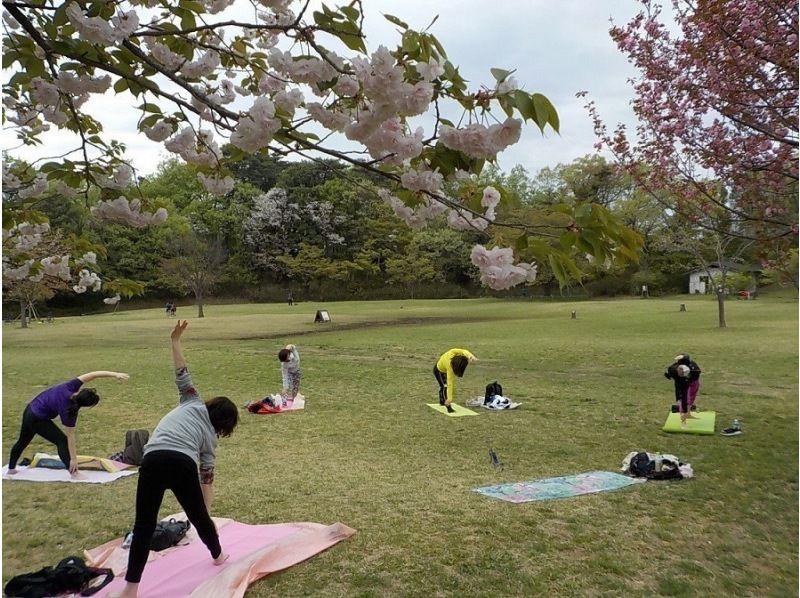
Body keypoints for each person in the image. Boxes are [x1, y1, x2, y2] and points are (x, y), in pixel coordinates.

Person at [111, 321, 238, 598]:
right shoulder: (210, 439)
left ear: (210, 405)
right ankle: (218, 555)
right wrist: (207, 514)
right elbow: (207, 480)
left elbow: (182, 371)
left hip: (152, 459)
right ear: (225, 425)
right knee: (198, 518)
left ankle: (131, 589)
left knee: (143, 525)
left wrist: (175, 341)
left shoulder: (191, 401)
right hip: (181, 464)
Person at [7, 370, 130, 475]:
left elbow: (94, 374)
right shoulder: (69, 411)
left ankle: (11, 469)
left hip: (29, 410)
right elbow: (70, 437)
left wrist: (115, 374)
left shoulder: (71, 386)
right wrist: (73, 460)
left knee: (22, 441)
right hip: (37, 418)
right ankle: (73, 473)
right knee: (61, 441)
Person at [434, 348, 477, 413]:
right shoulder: (449, 367)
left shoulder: (453, 352)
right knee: (444, 386)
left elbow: (463, 351)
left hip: (443, 367)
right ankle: (448, 406)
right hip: (438, 371)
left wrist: (470, 356)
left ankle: (443, 402)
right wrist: (450, 399)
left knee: (444, 386)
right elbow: (450, 384)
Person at [664, 353, 702, 425]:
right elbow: (669, 374)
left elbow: (696, 374)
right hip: (681, 384)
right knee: (682, 400)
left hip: (693, 383)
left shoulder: (694, 368)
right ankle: (683, 420)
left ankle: (687, 414)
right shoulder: (673, 369)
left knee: (690, 398)